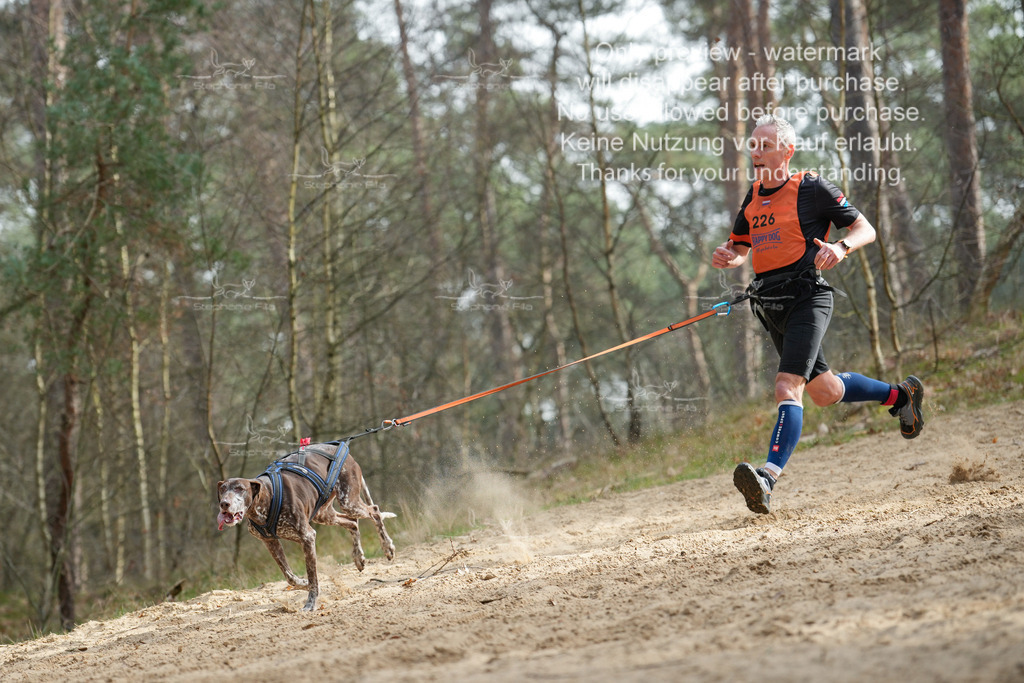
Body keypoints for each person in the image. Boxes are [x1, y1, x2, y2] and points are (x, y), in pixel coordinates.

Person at [712, 114, 924, 515]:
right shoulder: (754, 194)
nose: (756, 152)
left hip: (809, 296)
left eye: (765, 145)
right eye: (752, 145)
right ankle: (901, 396)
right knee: (825, 392)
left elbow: (865, 229)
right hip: (769, 304)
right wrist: (728, 256)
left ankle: (767, 478)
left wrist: (841, 248)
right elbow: (740, 245)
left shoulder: (811, 187)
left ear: (787, 151)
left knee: (786, 386)